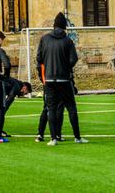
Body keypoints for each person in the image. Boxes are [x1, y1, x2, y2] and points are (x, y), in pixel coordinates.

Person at [36, 12, 87, 146]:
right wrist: (64, 67)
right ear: (64, 26)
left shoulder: (44, 39)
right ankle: (77, 137)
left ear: (54, 25)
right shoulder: (67, 40)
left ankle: (53, 138)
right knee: (71, 107)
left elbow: (39, 58)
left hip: (49, 79)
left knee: (51, 108)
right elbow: (73, 59)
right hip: (64, 79)